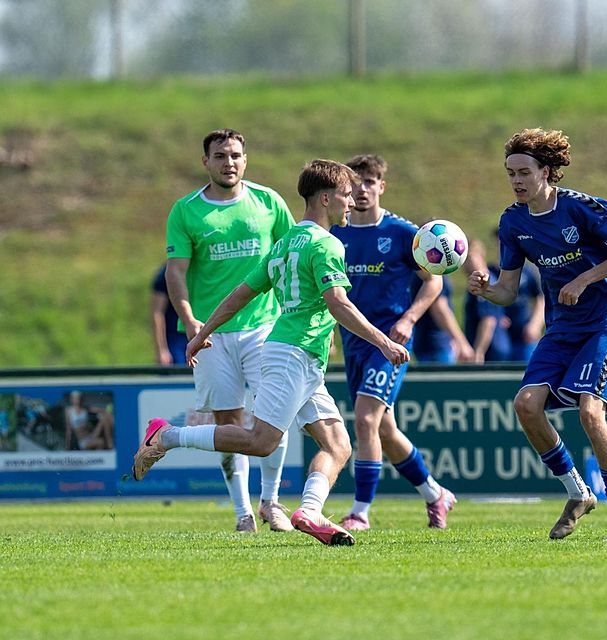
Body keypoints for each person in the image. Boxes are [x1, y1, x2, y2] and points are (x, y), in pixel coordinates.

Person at [134, 159, 410, 546]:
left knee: (338, 445)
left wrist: (201, 334)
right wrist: (384, 341)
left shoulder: (286, 243)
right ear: (326, 198)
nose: (351, 203)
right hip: (292, 354)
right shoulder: (326, 243)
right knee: (261, 441)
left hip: (300, 357)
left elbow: (241, 294)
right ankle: (168, 436)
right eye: (346, 195)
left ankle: (310, 511)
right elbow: (339, 303)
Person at [468, 128, 607, 541]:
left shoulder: (581, 207)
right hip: (562, 326)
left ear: (546, 171)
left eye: (524, 172)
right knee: (526, 405)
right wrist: (486, 289)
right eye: (511, 173)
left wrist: (584, 279)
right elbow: (508, 291)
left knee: (590, 412)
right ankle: (578, 492)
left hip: (605, 321)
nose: (516, 181)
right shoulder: (512, 222)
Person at [164, 128, 295, 533]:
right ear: (205, 161)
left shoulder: (269, 202)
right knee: (227, 420)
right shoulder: (186, 211)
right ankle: (242, 513)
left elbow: (294, 258)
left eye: (235, 155)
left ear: (246, 159)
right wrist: (190, 321)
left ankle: (271, 502)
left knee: (274, 414)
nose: (229, 162)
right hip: (211, 334)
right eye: (220, 156)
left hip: (265, 327)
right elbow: (175, 272)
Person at [330, 154, 457, 530]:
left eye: (369, 182)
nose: (362, 190)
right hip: (354, 341)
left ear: (381, 186)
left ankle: (360, 512)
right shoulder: (336, 234)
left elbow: (434, 281)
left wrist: (409, 318)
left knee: (365, 419)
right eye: (354, 184)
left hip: (390, 342)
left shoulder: (403, 233)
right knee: (385, 430)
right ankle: (435, 494)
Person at [463, 240, 512, 362]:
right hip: (497, 347)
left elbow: (488, 320)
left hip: (491, 350)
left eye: (468, 258)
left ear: (480, 256)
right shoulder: (485, 281)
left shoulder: (484, 284)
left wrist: (479, 351)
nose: (465, 264)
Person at [411, 275, 475, 364]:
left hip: (427, 343)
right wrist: (461, 342)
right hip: (436, 345)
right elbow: (440, 309)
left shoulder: (422, 273)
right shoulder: (435, 274)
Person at [150, 263, 188, 366]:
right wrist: (161, 349)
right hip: (175, 340)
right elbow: (157, 313)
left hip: (200, 336)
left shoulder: (202, 267)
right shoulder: (166, 273)